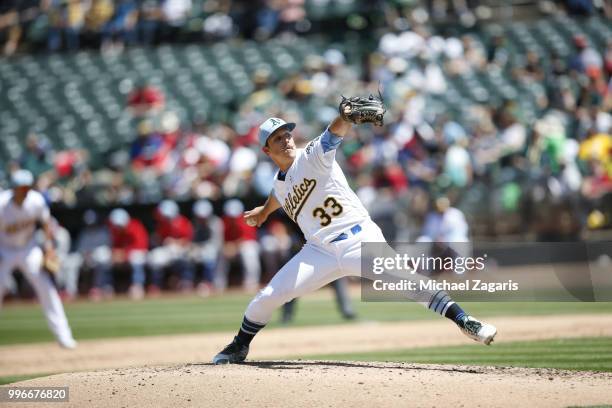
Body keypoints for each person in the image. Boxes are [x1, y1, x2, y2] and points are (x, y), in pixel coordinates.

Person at [212, 114, 497, 364]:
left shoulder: (311, 155)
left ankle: (465, 321)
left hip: (358, 240)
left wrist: (345, 116)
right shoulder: (278, 181)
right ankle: (239, 345)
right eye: (277, 138)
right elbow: (281, 192)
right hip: (319, 251)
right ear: (266, 149)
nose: (286, 139)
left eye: (287, 133)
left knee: (407, 281)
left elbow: (332, 134)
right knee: (268, 297)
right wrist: (264, 210)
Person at [0, 170, 77, 349]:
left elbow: (46, 223)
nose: (25, 190)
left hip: (28, 248)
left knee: (46, 288)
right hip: (4, 249)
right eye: (22, 187)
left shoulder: (35, 200)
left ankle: (64, 336)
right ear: (14, 188)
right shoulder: (2, 204)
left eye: (27, 187)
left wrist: (49, 249)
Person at [101, 208, 149, 300]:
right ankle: (106, 286)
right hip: (120, 255)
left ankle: (137, 286)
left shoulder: (135, 226)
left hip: (135, 254)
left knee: (137, 257)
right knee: (104, 257)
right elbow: (114, 245)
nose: (118, 227)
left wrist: (124, 254)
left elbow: (141, 247)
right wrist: (116, 253)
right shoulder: (113, 229)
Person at [148, 200, 195, 292]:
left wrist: (175, 242)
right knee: (154, 257)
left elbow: (188, 241)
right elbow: (159, 239)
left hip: (182, 249)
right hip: (167, 250)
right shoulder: (162, 223)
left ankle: (186, 282)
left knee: (188, 255)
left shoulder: (183, 222)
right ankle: (156, 285)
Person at [190, 199, 223, 297]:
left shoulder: (216, 222)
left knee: (209, 254)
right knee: (188, 255)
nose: (202, 219)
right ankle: (188, 281)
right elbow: (192, 240)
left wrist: (201, 247)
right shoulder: (195, 223)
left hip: (213, 249)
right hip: (199, 248)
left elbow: (217, 243)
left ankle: (209, 282)